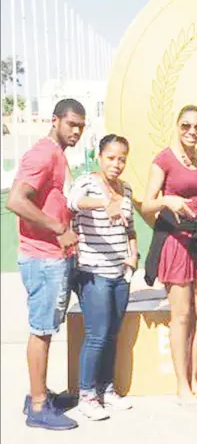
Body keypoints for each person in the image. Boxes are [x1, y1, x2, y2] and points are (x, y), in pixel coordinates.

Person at [6, 98, 86, 430]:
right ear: (55, 121)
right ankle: (38, 406)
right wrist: (57, 229)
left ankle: (39, 393)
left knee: (48, 330)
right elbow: (15, 200)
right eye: (71, 124)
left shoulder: (57, 155)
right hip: (42, 258)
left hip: (52, 257)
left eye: (81, 126)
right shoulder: (42, 154)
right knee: (41, 331)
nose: (77, 131)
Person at [141, 105, 197, 410]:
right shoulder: (164, 159)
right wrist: (167, 200)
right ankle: (182, 386)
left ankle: (193, 378)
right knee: (182, 315)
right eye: (186, 125)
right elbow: (147, 205)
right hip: (174, 241)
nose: (192, 132)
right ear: (177, 125)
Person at [67, 134, 137, 421]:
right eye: (111, 157)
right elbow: (74, 201)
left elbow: (129, 228)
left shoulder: (127, 189)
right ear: (100, 156)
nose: (117, 164)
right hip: (93, 272)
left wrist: (133, 255)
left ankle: (106, 389)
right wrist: (102, 203)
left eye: (122, 158)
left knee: (111, 334)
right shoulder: (87, 182)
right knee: (96, 335)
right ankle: (86, 395)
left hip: (120, 274)